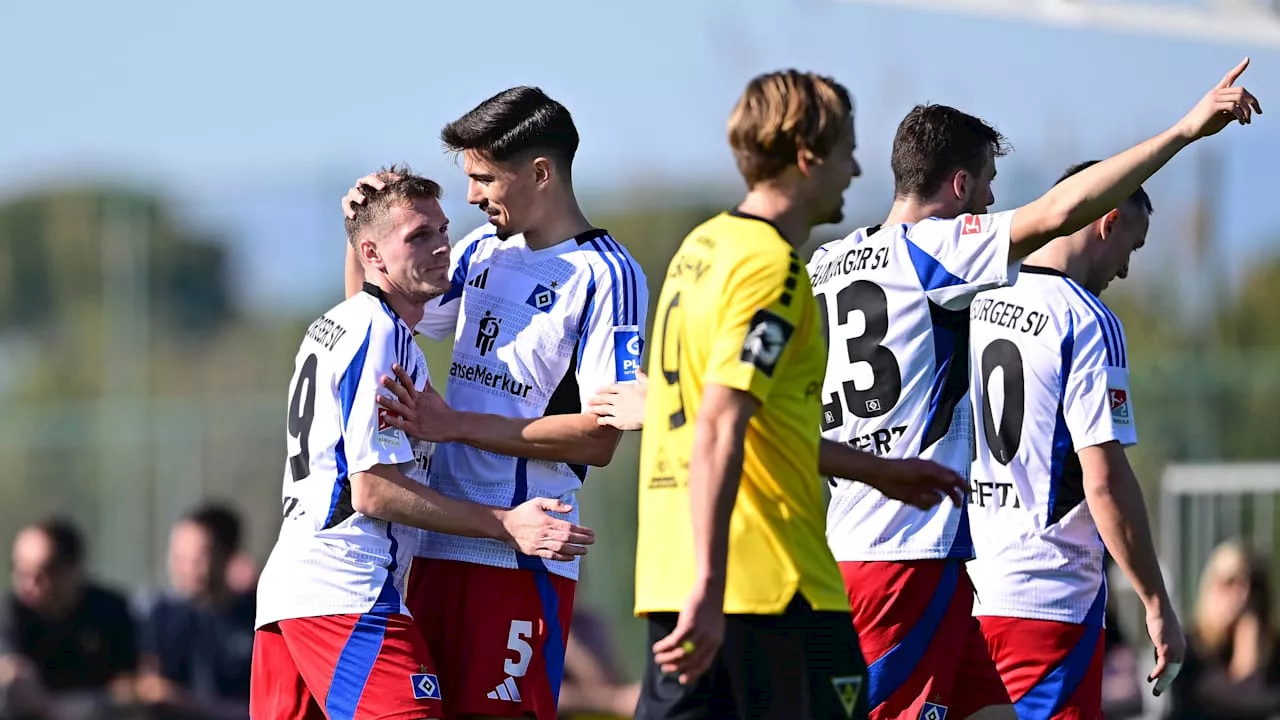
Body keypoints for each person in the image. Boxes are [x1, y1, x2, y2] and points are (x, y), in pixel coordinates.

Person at [807, 58, 1258, 720]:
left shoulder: (829, 260)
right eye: (987, 188)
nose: (992, 206)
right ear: (958, 184)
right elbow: (1061, 209)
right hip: (910, 551)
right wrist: (1185, 130)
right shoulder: (938, 251)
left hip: (893, 548)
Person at [631, 69, 968, 720]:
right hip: (767, 587)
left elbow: (752, 426)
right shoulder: (771, 267)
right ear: (809, 158)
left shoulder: (700, 249)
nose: (856, 167)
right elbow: (722, 424)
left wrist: (882, 472)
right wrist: (712, 578)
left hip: (675, 576)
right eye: (847, 149)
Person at [342, 86, 647, 720]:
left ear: (540, 173)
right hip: (433, 543)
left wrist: (452, 424)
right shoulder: (482, 250)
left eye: (484, 178)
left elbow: (600, 436)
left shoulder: (607, 275)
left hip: (519, 553)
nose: (474, 196)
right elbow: (376, 313)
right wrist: (361, 235)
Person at [250, 166, 595, 720]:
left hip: (293, 594)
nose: (441, 247)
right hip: (347, 592)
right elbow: (372, 492)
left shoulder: (353, 323)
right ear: (373, 253)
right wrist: (504, 523)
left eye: (442, 230)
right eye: (419, 236)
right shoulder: (379, 332)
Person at [966, 160, 1182, 718]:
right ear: (1106, 222)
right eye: (1131, 250)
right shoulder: (1088, 320)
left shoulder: (978, 299)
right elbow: (1104, 481)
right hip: (1051, 602)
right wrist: (1156, 604)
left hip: (969, 591)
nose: (1126, 272)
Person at [0, 517, 137, 720]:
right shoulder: (11, 612)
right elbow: (10, 671)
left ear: (72, 569)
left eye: (42, 573)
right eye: (21, 571)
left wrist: (73, 706)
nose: (29, 584)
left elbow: (134, 685)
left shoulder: (109, 611)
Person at [136, 504, 257, 719]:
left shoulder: (256, 620)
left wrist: (191, 703)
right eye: (178, 556)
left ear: (227, 555)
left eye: (197, 558)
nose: (183, 567)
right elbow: (149, 688)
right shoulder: (161, 618)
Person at [1167, 540, 1280, 719]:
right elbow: (1236, 694)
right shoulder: (1187, 646)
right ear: (1210, 586)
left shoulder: (1274, 648)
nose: (1244, 595)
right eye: (1230, 582)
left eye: (1255, 584)